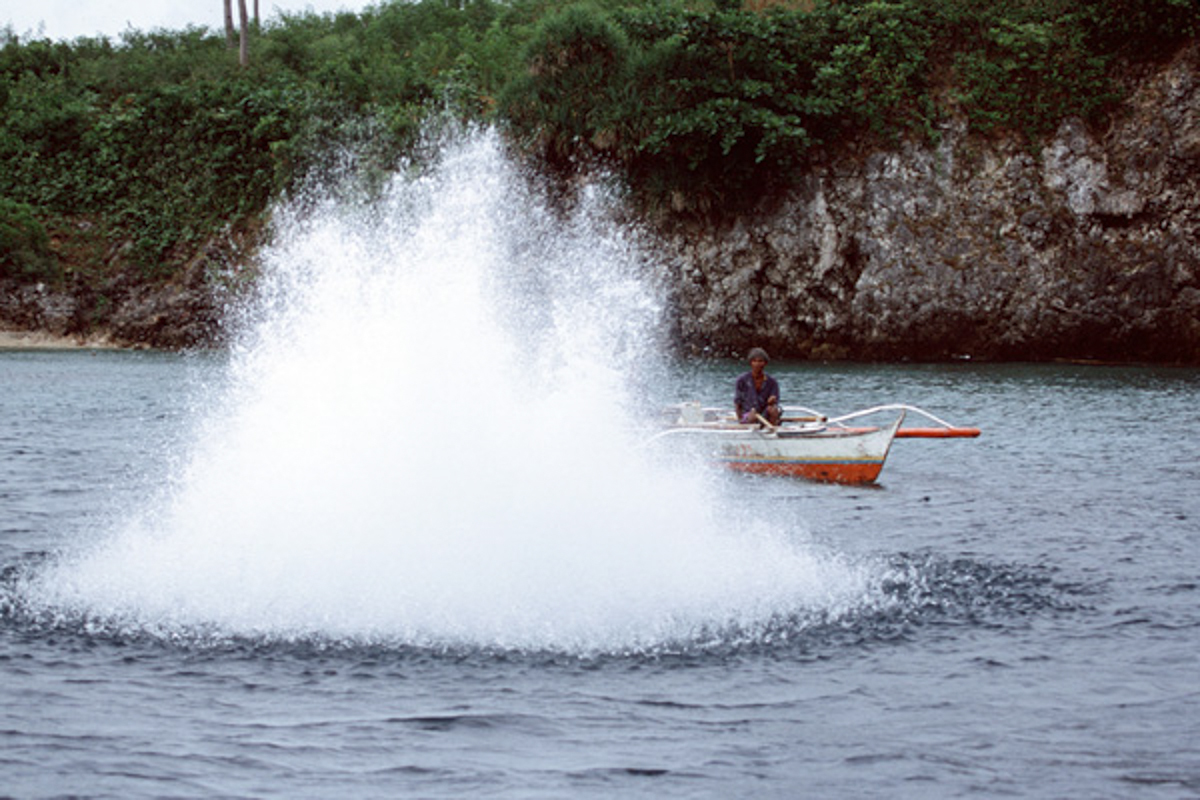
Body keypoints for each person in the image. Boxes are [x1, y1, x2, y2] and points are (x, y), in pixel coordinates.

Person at [734, 347, 782, 425]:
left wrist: (772, 401)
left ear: (765, 363)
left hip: (765, 413)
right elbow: (737, 403)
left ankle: (773, 430)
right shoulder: (742, 380)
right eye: (754, 361)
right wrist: (740, 420)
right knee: (752, 416)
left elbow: (775, 400)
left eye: (760, 361)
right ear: (751, 363)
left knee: (773, 410)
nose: (757, 364)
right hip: (747, 414)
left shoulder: (772, 382)